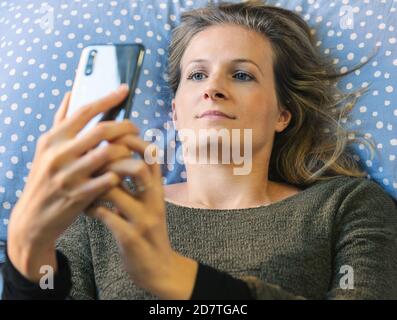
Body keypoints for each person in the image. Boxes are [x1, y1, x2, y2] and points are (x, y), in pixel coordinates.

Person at [2, 2, 397, 300]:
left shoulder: (347, 206)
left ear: (283, 113)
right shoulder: (100, 212)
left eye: (241, 74)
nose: (213, 87)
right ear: (174, 111)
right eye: (196, 75)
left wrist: (179, 277)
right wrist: (25, 254)